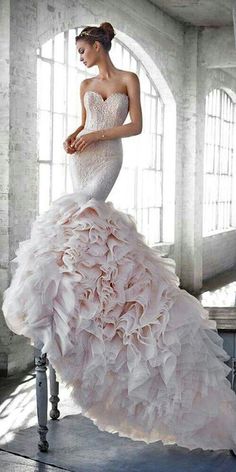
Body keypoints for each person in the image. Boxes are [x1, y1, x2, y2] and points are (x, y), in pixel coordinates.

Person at [2, 21, 236, 455]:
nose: (81, 58)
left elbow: (136, 127)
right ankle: (76, 286)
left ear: (98, 45)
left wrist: (97, 134)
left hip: (108, 154)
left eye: (83, 50)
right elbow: (83, 119)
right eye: (77, 54)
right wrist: (76, 133)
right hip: (85, 152)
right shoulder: (86, 84)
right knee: (77, 216)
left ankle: (100, 287)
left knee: (89, 206)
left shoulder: (128, 79)